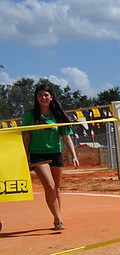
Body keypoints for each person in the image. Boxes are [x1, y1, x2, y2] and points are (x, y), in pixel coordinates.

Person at [22, 84, 79, 230]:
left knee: (57, 188)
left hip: (55, 153)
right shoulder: (30, 115)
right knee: (49, 186)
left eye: (46, 95)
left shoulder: (59, 115)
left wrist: (73, 155)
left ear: (51, 97)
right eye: (40, 95)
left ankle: (57, 217)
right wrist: (25, 156)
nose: (43, 98)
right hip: (37, 155)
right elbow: (26, 138)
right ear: (36, 97)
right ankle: (58, 219)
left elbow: (66, 138)